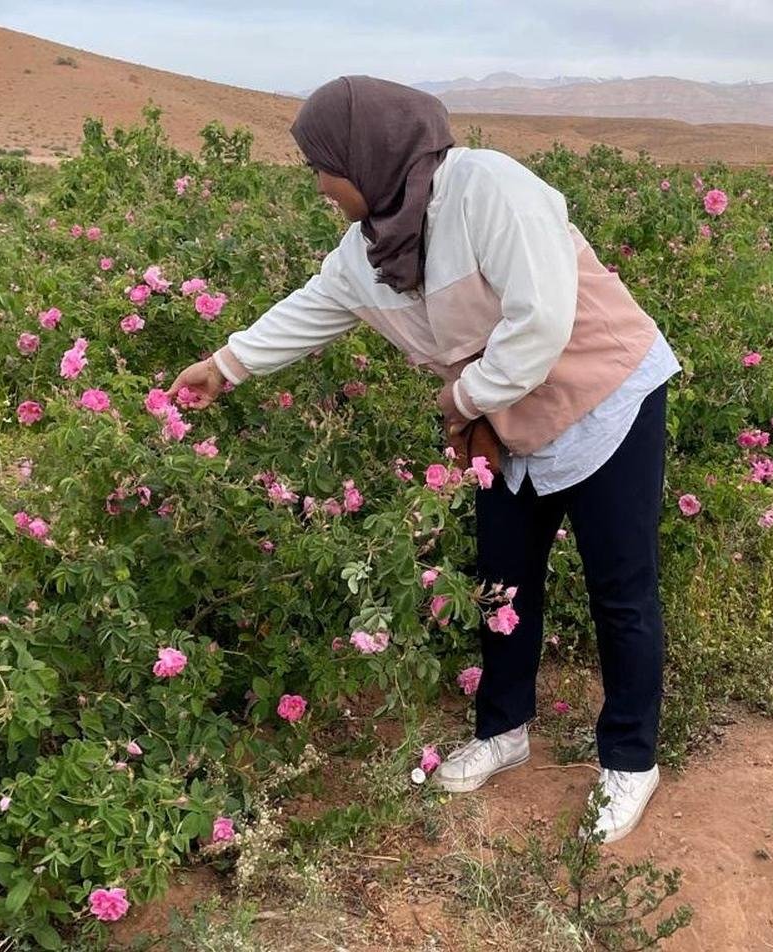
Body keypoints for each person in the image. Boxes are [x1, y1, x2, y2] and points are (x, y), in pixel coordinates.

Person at [167, 75, 680, 843]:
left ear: (365, 154)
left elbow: (540, 323)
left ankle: (631, 762)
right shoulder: (366, 249)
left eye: (321, 165)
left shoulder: (489, 189)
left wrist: (461, 401)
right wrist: (226, 364)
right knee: (501, 583)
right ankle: (504, 731)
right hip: (506, 421)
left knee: (621, 590)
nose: (317, 184)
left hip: (607, 397)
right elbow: (313, 307)